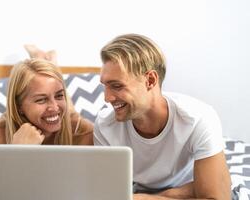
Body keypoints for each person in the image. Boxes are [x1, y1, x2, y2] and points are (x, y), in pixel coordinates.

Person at [93, 33, 231, 200]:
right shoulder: (105, 126)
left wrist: (142, 198)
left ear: (150, 80)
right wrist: (174, 195)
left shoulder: (198, 118)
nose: (107, 98)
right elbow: (112, 196)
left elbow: (217, 197)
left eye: (117, 86)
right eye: (105, 86)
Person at [0, 59, 93, 188]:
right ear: (18, 106)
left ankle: (50, 60)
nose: (54, 107)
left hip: (70, 120)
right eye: (41, 100)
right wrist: (16, 152)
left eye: (60, 96)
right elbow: (3, 192)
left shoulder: (82, 130)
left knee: (69, 113)